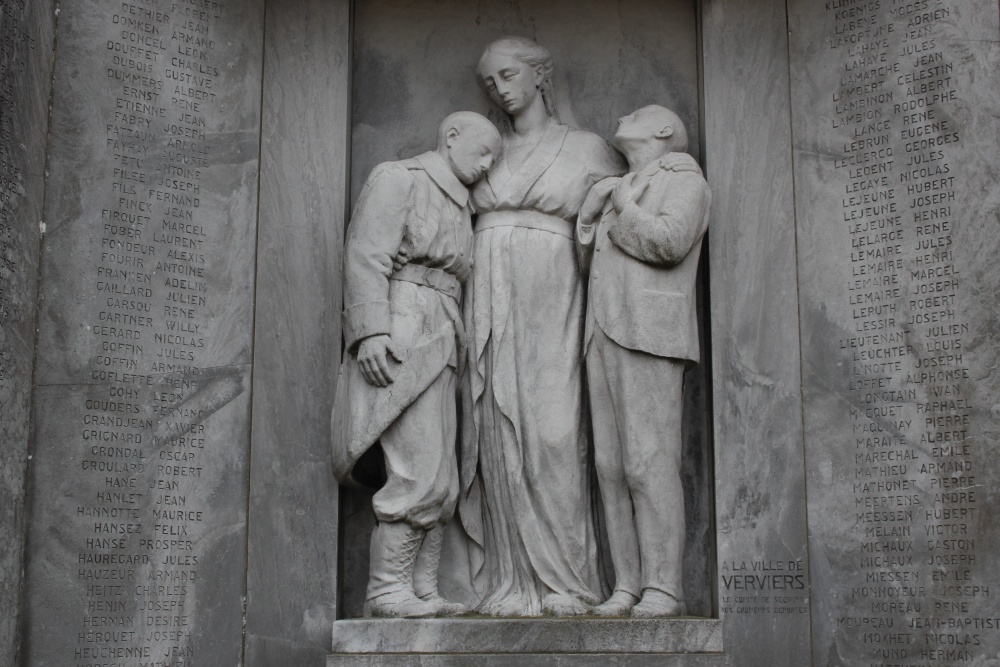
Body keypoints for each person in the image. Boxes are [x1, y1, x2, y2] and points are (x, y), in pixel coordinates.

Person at [460, 36, 626, 617]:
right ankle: (509, 583)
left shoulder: (584, 149)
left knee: (556, 432)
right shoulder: (483, 150)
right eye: (489, 82)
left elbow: (619, 231)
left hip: (555, 293)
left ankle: (570, 582)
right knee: (492, 431)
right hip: (485, 296)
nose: (499, 89)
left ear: (539, 75)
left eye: (507, 75)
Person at [331, 111, 500, 618]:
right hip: (405, 325)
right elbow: (365, 255)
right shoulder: (399, 177)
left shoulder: (462, 203)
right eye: (484, 151)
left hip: (445, 330)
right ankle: (387, 591)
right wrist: (371, 332)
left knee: (442, 474)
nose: (489, 164)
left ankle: (422, 589)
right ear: (451, 137)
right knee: (416, 468)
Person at [576, 105, 711, 617]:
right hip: (603, 332)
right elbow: (592, 263)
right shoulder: (621, 185)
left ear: (662, 130)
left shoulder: (684, 179)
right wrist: (589, 218)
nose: (623, 117)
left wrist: (623, 205)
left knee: (648, 463)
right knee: (610, 467)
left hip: (650, 334)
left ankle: (664, 588)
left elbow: (668, 243)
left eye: (638, 113)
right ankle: (628, 585)